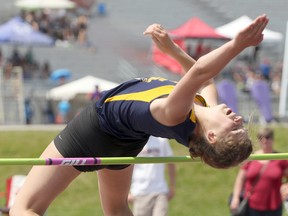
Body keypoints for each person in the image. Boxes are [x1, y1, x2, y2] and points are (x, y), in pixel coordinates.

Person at [10, 14, 268, 216]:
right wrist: (171, 50)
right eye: (241, 126)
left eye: (234, 129)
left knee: (22, 209)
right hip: (125, 142)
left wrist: (238, 44)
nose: (239, 120)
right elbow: (207, 82)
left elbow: (200, 72)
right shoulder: (202, 107)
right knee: (117, 211)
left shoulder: (176, 115)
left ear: (211, 136)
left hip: (96, 130)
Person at [230, 127, 288, 216]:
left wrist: (286, 186)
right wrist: (236, 197)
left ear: (272, 139)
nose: (265, 140)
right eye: (261, 137)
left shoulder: (280, 159)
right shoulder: (251, 158)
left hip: (273, 206)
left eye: (268, 137)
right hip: (252, 205)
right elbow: (241, 179)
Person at [128, 136, 176, 216]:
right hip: (140, 192)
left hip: (160, 191)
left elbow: (171, 163)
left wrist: (172, 186)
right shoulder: (134, 141)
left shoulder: (162, 141)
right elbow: (127, 167)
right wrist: (127, 192)